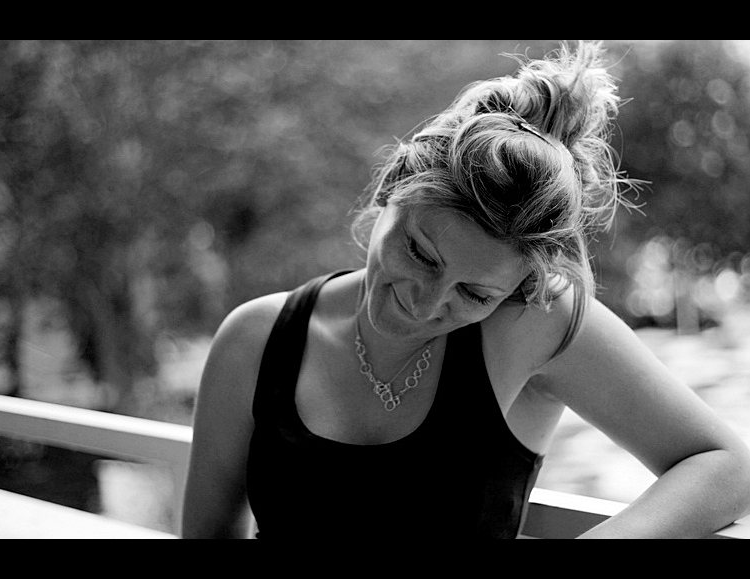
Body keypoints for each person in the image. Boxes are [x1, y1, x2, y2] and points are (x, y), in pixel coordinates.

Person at [181, 41, 750, 539]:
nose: (426, 303)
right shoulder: (256, 340)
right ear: (392, 186)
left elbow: (727, 466)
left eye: (475, 295)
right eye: (420, 254)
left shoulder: (532, 324)